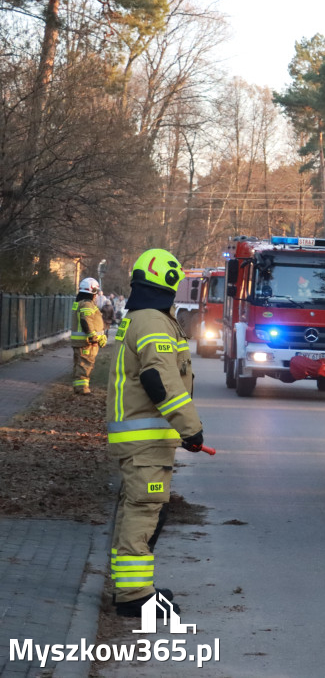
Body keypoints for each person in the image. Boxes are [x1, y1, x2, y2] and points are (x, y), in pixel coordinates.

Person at [106, 248, 205, 617]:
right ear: (168, 281)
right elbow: (159, 379)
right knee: (145, 511)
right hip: (145, 440)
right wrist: (191, 428)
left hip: (141, 438)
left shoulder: (141, 317)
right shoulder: (152, 321)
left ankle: (129, 588)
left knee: (140, 510)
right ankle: (134, 597)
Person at [71, 277, 107, 394]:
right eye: (96, 293)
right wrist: (94, 337)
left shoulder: (80, 303)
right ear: (93, 291)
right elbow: (86, 321)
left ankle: (78, 387)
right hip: (86, 342)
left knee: (79, 364)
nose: (96, 296)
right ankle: (82, 389)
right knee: (85, 365)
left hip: (80, 342)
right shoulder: (87, 304)